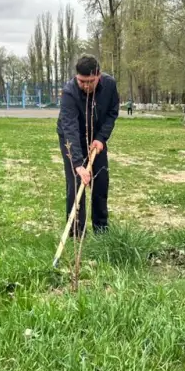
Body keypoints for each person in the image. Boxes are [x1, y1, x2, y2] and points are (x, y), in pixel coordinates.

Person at [56, 54, 120, 237]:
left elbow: (112, 113)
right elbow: (70, 127)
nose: (85, 85)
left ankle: (101, 230)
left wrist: (101, 138)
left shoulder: (109, 85)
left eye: (90, 81)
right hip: (71, 138)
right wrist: (77, 164)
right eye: (82, 81)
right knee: (76, 183)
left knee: (100, 182)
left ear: (98, 76)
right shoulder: (69, 92)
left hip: (96, 139)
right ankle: (76, 233)